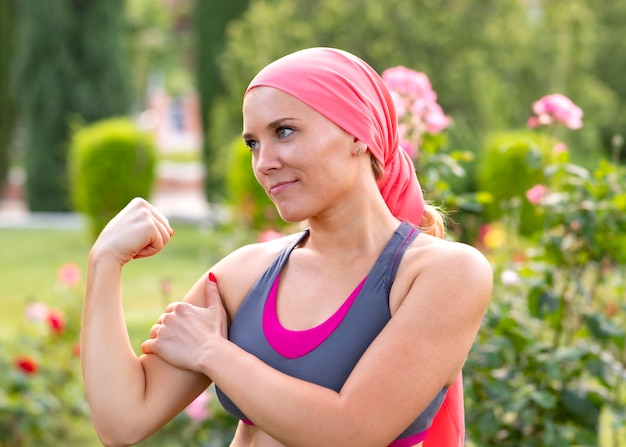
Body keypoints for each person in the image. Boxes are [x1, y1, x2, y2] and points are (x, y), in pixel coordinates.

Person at [81, 47, 492, 447]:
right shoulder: (243, 274)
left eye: (284, 132)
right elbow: (123, 422)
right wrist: (104, 261)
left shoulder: (443, 273)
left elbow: (351, 432)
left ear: (358, 135)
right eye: (253, 143)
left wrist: (212, 351)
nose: (264, 162)